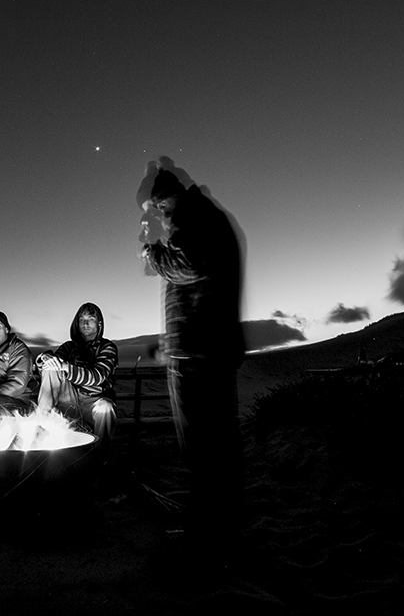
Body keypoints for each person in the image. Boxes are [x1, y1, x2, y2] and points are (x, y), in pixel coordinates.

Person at [139, 162, 246, 543]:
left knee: (205, 448)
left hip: (201, 357)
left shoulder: (193, 217)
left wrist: (153, 254)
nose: (160, 222)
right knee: (215, 447)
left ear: (164, 202)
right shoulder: (207, 218)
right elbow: (201, 288)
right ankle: (221, 526)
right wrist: (170, 344)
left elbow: (188, 265)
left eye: (158, 212)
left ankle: (208, 534)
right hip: (202, 349)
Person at [35, 302, 118, 440]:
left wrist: (66, 367)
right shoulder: (69, 347)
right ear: (76, 324)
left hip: (93, 401)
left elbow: (97, 376)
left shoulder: (107, 347)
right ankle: (41, 425)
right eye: (81, 320)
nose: (85, 323)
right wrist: (44, 357)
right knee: (51, 366)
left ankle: (99, 455)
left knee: (106, 408)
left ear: (99, 324)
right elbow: (48, 368)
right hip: (69, 400)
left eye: (91, 319)